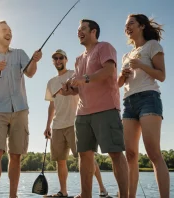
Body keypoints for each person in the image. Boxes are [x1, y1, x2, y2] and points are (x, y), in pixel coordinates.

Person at [63, 19, 129, 198]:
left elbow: (108, 71)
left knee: (115, 153)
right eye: (78, 29)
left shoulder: (104, 47)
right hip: (82, 113)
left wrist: (83, 79)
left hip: (106, 108)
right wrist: (70, 90)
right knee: (84, 155)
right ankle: (86, 195)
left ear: (94, 32)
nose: (79, 32)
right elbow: (79, 86)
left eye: (83, 28)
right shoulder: (78, 59)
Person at [0, 20, 42, 198]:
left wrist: (34, 61)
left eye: (10, 30)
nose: (9, 33)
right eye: (5, 30)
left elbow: (30, 73)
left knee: (16, 155)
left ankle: (13, 196)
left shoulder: (20, 53)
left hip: (20, 109)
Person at [44, 49, 108, 197]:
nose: (58, 61)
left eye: (61, 58)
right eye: (55, 59)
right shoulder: (51, 82)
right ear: (53, 61)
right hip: (57, 125)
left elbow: (84, 91)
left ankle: (102, 189)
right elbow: (52, 105)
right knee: (60, 160)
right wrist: (48, 125)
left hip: (76, 121)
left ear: (66, 60)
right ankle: (63, 191)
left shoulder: (74, 74)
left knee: (86, 157)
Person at [118, 14, 169, 198]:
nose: (127, 27)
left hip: (149, 98)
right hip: (128, 102)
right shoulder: (126, 55)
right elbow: (118, 84)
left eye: (131, 23)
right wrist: (122, 77)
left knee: (153, 152)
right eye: (125, 25)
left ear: (141, 26)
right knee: (130, 154)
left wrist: (141, 65)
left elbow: (161, 75)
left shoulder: (153, 45)